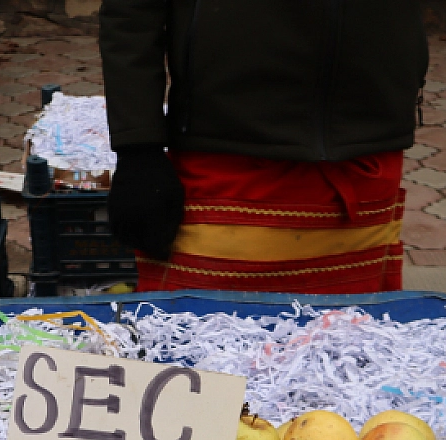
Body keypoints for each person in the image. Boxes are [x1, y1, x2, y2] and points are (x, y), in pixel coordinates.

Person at [99, 0, 428, 294]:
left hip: (366, 147)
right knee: (204, 342)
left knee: (349, 341)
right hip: (224, 152)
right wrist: (139, 146)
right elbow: (131, 13)